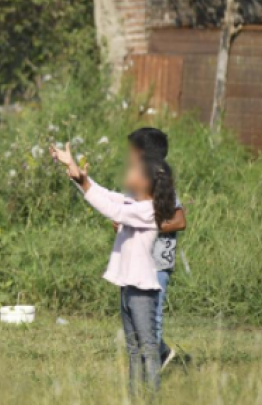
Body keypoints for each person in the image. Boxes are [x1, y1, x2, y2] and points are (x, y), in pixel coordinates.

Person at [50, 143, 176, 396]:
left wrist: (83, 183)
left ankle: (150, 399)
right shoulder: (134, 203)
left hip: (142, 291)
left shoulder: (149, 210)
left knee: (148, 349)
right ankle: (134, 397)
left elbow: (112, 209)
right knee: (133, 349)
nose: (128, 175)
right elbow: (105, 194)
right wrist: (75, 172)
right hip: (128, 287)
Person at [126, 128, 187, 370]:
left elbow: (180, 220)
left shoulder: (162, 183)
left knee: (153, 318)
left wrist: (148, 224)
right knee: (135, 316)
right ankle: (159, 355)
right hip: (135, 261)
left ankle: (150, 377)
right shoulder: (134, 183)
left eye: (131, 151)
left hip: (157, 263)